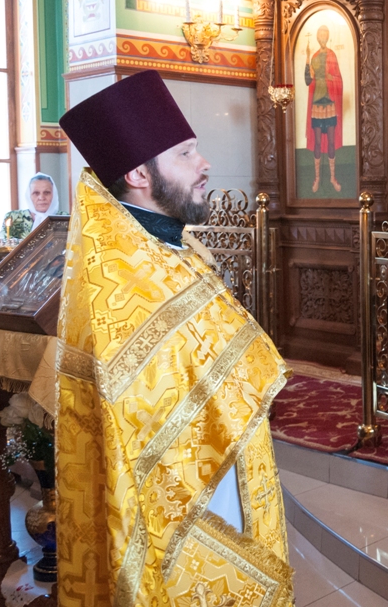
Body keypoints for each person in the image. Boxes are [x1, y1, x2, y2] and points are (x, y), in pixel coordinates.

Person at [54, 70, 292, 605]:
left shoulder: (172, 249)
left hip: (227, 479)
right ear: (139, 173)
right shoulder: (119, 279)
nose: (204, 163)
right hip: (182, 509)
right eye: (185, 153)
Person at [305, 25, 345, 193]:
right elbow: (308, 80)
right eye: (320, 36)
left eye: (325, 36)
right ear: (317, 37)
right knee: (317, 142)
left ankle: (332, 178)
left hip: (329, 103)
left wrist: (331, 78)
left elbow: (339, 79)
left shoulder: (332, 55)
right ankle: (317, 178)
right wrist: (307, 59)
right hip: (317, 103)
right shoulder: (314, 57)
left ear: (327, 38)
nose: (323, 38)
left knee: (331, 142)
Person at [0, 173, 61, 240]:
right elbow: (2, 243)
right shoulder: (13, 218)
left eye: (46, 193)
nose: (41, 197)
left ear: (54, 195)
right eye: (36, 193)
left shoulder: (64, 218)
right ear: (29, 196)